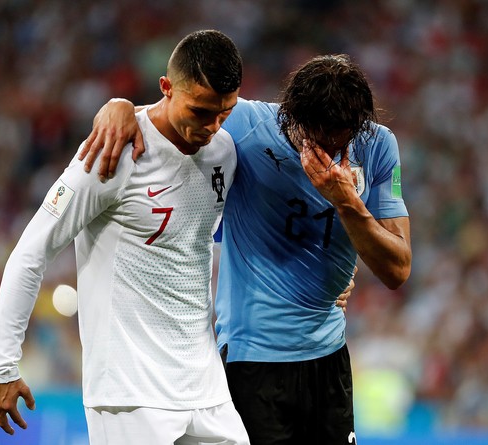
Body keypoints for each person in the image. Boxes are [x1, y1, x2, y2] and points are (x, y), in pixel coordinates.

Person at [80, 53, 412, 445]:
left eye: (342, 140)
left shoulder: (378, 147)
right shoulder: (250, 126)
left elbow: (397, 270)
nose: (330, 152)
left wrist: (348, 204)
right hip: (253, 360)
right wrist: (118, 108)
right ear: (292, 118)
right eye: (318, 139)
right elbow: (175, 113)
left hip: (329, 358)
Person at [0, 29, 252, 445]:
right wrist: (1, 365)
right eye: (201, 112)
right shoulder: (113, 152)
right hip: (128, 393)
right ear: (166, 88)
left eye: (225, 113)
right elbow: (31, 252)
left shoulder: (225, 151)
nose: (213, 126)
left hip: (206, 389)